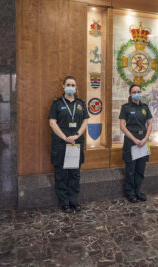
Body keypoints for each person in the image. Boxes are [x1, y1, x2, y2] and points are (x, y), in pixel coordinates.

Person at [48, 76, 89, 213]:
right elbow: (52, 123)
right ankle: (64, 202)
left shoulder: (80, 103)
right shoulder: (57, 103)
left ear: (76, 87)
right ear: (63, 86)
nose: (71, 87)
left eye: (73, 85)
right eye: (68, 84)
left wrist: (77, 135)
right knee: (61, 173)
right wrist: (65, 137)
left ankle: (73, 200)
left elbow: (85, 121)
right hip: (61, 143)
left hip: (75, 143)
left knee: (74, 173)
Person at [119, 84, 152, 203]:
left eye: (138, 91)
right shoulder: (125, 107)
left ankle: (138, 191)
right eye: (134, 92)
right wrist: (134, 139)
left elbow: (150, 125)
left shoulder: (145, 107)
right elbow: (122, 126)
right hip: (131, 141)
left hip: (143, 141)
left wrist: (145, 139)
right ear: (130, 94)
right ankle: (130, 192)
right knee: (131, 169)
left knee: (140, 168)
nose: (136, 93)